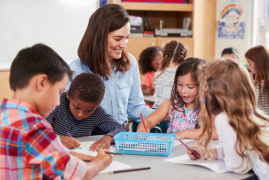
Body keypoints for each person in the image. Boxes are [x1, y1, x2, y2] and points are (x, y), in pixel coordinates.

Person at [0, 44, 113, 179]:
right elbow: (80, 174)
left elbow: (26, 154)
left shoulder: (5, 116)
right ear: (42, 82)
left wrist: (65, 154)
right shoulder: (36, 128)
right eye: (59, 91)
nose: (58, 103)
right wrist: (102, 162)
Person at [187, 59, 269, 179]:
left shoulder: (224, 119)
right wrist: (209, 153)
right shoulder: (252, 115)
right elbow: (244, 153)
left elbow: (239, 166)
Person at [68, 4, 154, 124]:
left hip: (119, 136)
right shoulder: (75, 69)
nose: (124, 45)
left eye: (127, 38)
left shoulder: (130, 63)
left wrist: (172, 115)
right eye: (118, 39)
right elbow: (66, 115)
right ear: (99, 37)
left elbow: (136, 108)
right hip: (88, 139)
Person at [137, 58, 218, 140]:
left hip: (194, 152)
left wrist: (184, 134)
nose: (183, 91)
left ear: (203, 86)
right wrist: (143, 127)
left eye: (190, 87)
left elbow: (215, 132)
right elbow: (149, 121)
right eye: (179, 84)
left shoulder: (209, 106)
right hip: (173, 152)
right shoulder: (171, 103)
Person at [46, 73, 127, 150]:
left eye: (89, 111)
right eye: (76, 107)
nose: (81, 114)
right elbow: (38, 132)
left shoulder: (97, 112)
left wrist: (107, 139)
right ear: (68, 95)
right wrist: (58, 139)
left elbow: (121, 128)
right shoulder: (55, 103)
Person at [245, 45, 269, 124]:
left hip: (265, 122)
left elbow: (252, 109)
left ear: (259, 64)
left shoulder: (259, 85)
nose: (249, 68)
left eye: (250, 64)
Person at [152, 40, 187, 109]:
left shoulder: (157, 74)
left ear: (164, 55)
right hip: (174, 115)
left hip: (156, 113)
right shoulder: (184, 76)